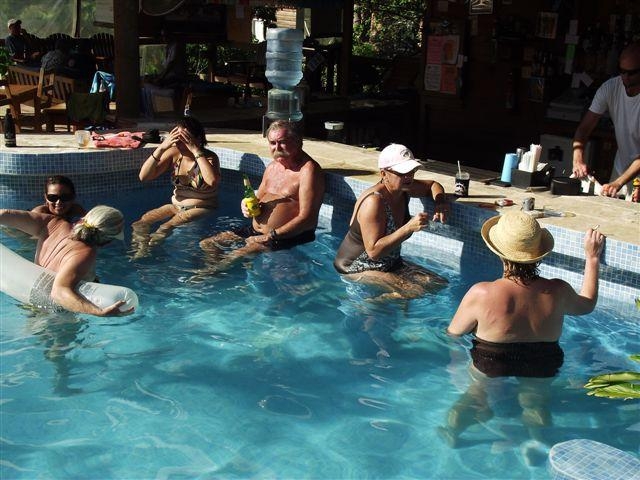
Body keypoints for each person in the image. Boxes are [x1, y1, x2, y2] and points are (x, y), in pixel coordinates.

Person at [441, 211, 605, 450]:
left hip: (491, 360)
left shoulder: (482, 293)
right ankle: (536, 442)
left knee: (476, 396)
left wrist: (454, 363)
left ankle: (454, 429)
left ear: (498, 252)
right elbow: (587, 304)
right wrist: (592, 258)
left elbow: (454, 333)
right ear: (538, 255)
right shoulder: (557, 291)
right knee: (535, 403)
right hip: (543, 361)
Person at [198, 120, 325, 271]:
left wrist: (270, 235)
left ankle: (206, 280)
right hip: (256, 231)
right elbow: (258, 198)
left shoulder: (308, 170)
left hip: (286, 236)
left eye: (282, 142)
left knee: (233, 257)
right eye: (272, 143)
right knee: (208, 243)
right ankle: (219, 274)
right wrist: (245, 205)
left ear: (298, 142)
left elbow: (308, 219)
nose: (276, 148)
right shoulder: (273, 167)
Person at [333, 143, 448, 299]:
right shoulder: (374, 202)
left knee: (438, 283)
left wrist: (440, 202)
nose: (408, 176)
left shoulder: (405, 187)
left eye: (412, 171)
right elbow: (373, 252)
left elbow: (433, 185)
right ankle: (374, 302)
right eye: (402, 172)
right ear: (383, 173)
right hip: (356, 267)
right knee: (414, 291)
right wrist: (407, 228)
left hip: (389, 263)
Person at [0, 205, 130, 316]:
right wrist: (98, 312)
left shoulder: (53, 223)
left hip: (28, 299)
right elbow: (59, 292)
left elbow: (5, 214)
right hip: (54, 314)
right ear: (108, 238)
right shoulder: (85, 253)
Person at [131, 116, 220, 258]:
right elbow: (144, 176)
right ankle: (141, 250)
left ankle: (149, 253)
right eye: (176, 139)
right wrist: (161, 148)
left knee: (166, 226)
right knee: (140, 223)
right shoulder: (174, 154)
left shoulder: (209, 158)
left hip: (202, 208)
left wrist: (196, 150)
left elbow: (212, 181)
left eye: (184, 139)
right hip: (175, 206)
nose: (179, 143)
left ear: (196, 138)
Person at [572, 41, 640, 199]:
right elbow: (584, 129)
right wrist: (578, 159)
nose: (625, 78)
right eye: (622, 72)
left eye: (631, 74)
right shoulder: (610, 88)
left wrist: (619, 182)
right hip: (620, 172)